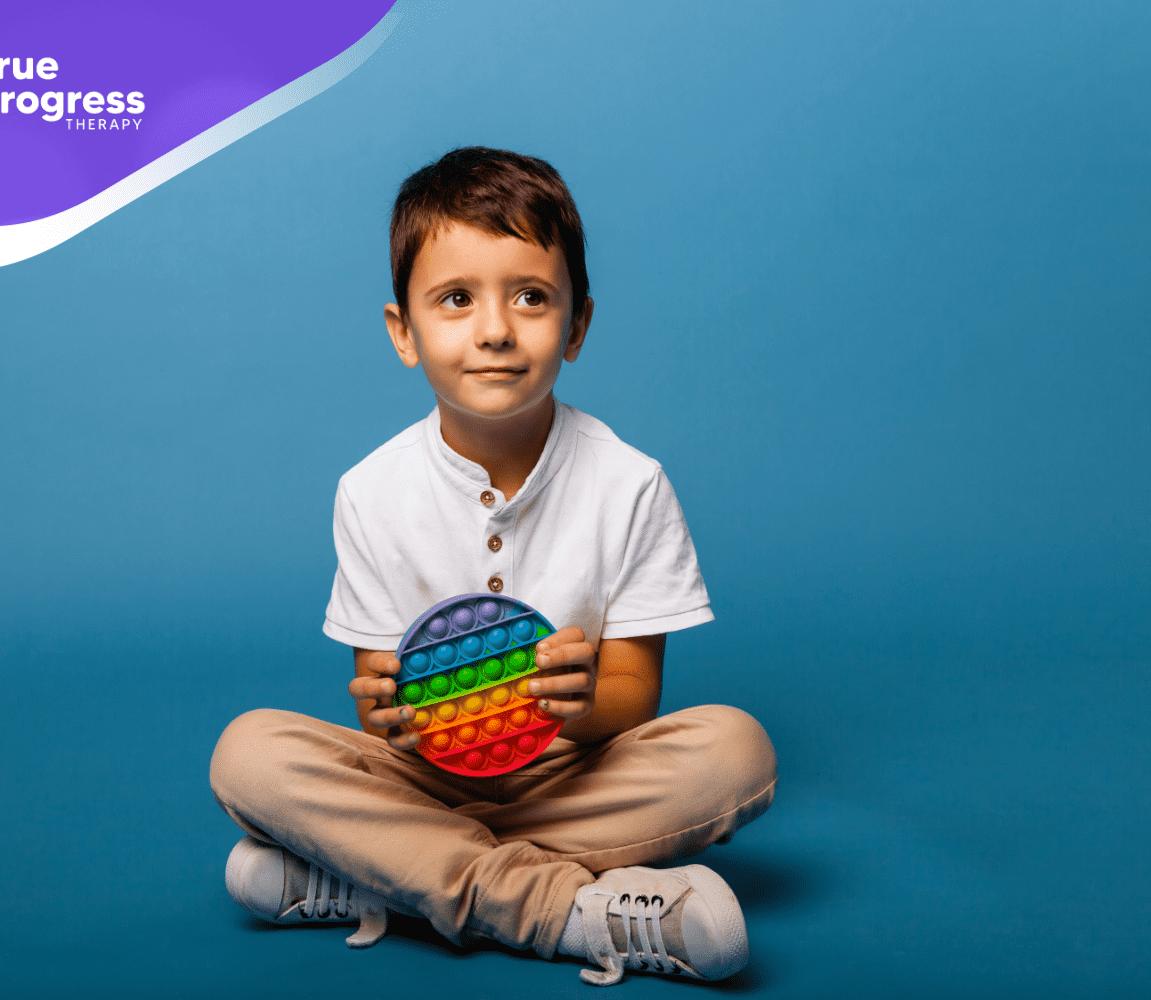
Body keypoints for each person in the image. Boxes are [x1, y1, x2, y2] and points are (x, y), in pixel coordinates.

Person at [209, 147, 777, 987]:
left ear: (576, 325)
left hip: (571, 771)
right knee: (248, 753)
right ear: (404, 331)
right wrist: (387, 712)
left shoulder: (630, 483)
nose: (495, 329)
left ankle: (382, 874)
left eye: (531, 297)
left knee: (736, 749)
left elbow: (633, 698)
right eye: (455, 299)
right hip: (424, 776)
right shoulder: (370, 490)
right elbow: (381, 702)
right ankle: (573, 913)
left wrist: (578, 704)